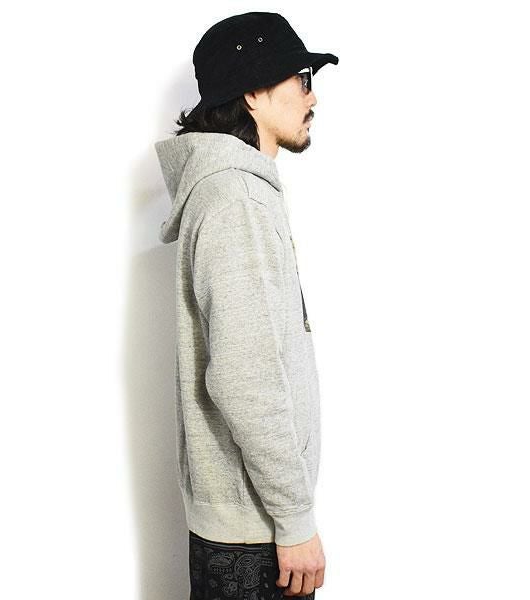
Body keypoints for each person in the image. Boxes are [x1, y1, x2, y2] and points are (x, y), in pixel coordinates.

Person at [154, 11, 338, 598]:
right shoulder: (235, 199)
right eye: (301, 79)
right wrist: (294, 517)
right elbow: (244, 375)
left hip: (248, 525)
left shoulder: (234, 191)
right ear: (254, 93)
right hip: (255, 535)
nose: (313, 97)